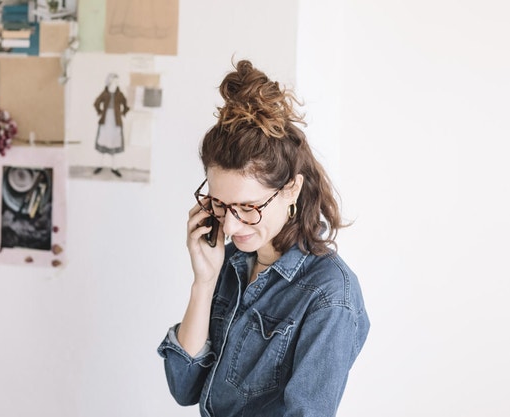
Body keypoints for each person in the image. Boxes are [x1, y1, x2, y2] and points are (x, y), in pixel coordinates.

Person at [157, 60, 370, 417]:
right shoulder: (232, 263)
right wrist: (204, 282)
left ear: (291, 190)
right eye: (221, 205)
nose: (231, 226)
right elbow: (184, 386)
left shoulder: (330, 295)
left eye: (249, 206)